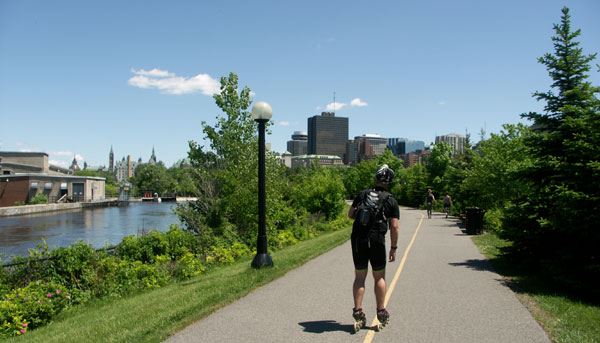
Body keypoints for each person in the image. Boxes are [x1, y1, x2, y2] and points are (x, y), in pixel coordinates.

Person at [348, 164, 400, 330]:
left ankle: (357, 311)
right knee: (379, 277)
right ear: (389, 182)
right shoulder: (391, 200)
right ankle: (381, 311)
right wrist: (393, 247)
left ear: (376, 179)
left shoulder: (363, 194)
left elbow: (350, 215)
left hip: (358, 239)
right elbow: (395, 226)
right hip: (377, 240)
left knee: (360, 277)